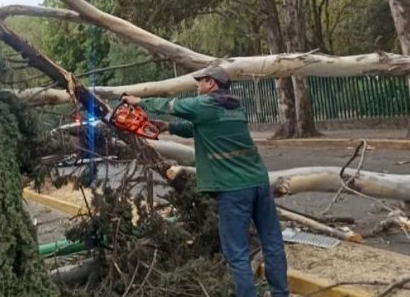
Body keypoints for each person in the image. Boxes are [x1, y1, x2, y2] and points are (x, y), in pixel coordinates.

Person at [121, 65, 289, 297]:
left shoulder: (206, 104)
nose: (198, 86)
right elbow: (198, 128)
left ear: (211, 83)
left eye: (200, 82)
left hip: (233, 189)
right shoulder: (235, 106)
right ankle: (282, 294)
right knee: (273, 243)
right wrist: (168, 127)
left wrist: (139, 101)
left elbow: (172, 106)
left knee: (237, 253)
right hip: (259, 183)